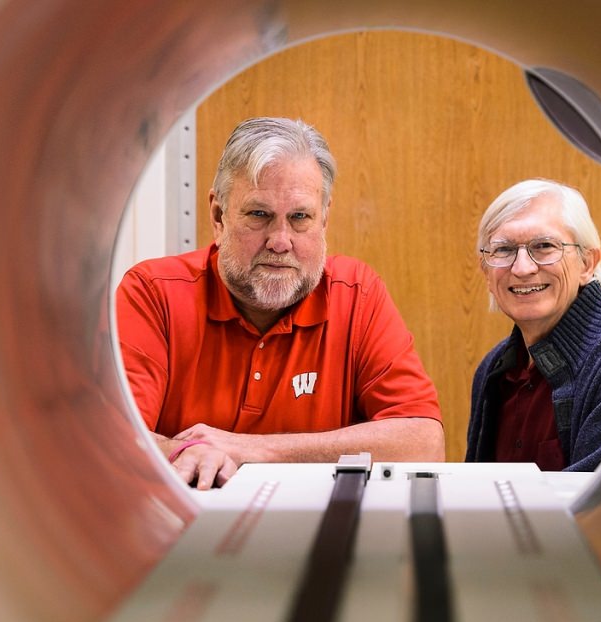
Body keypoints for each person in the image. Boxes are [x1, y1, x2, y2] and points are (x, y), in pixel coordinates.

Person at [116, 117, 444, 489]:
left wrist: (248, 450)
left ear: (324, 220)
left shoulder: (357, 295)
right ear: (218, 216)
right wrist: (187, 453)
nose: (280, 241)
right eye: (259, 215)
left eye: (300, 217)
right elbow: (114, 441)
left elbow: (423, 444)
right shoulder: (153, 292)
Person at [465, 179, 601, 471]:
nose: (522, 268)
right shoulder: (493, 369)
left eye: (544, 246)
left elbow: (600, 504)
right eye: (503, 250)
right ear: (486, 273)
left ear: (587, 263)